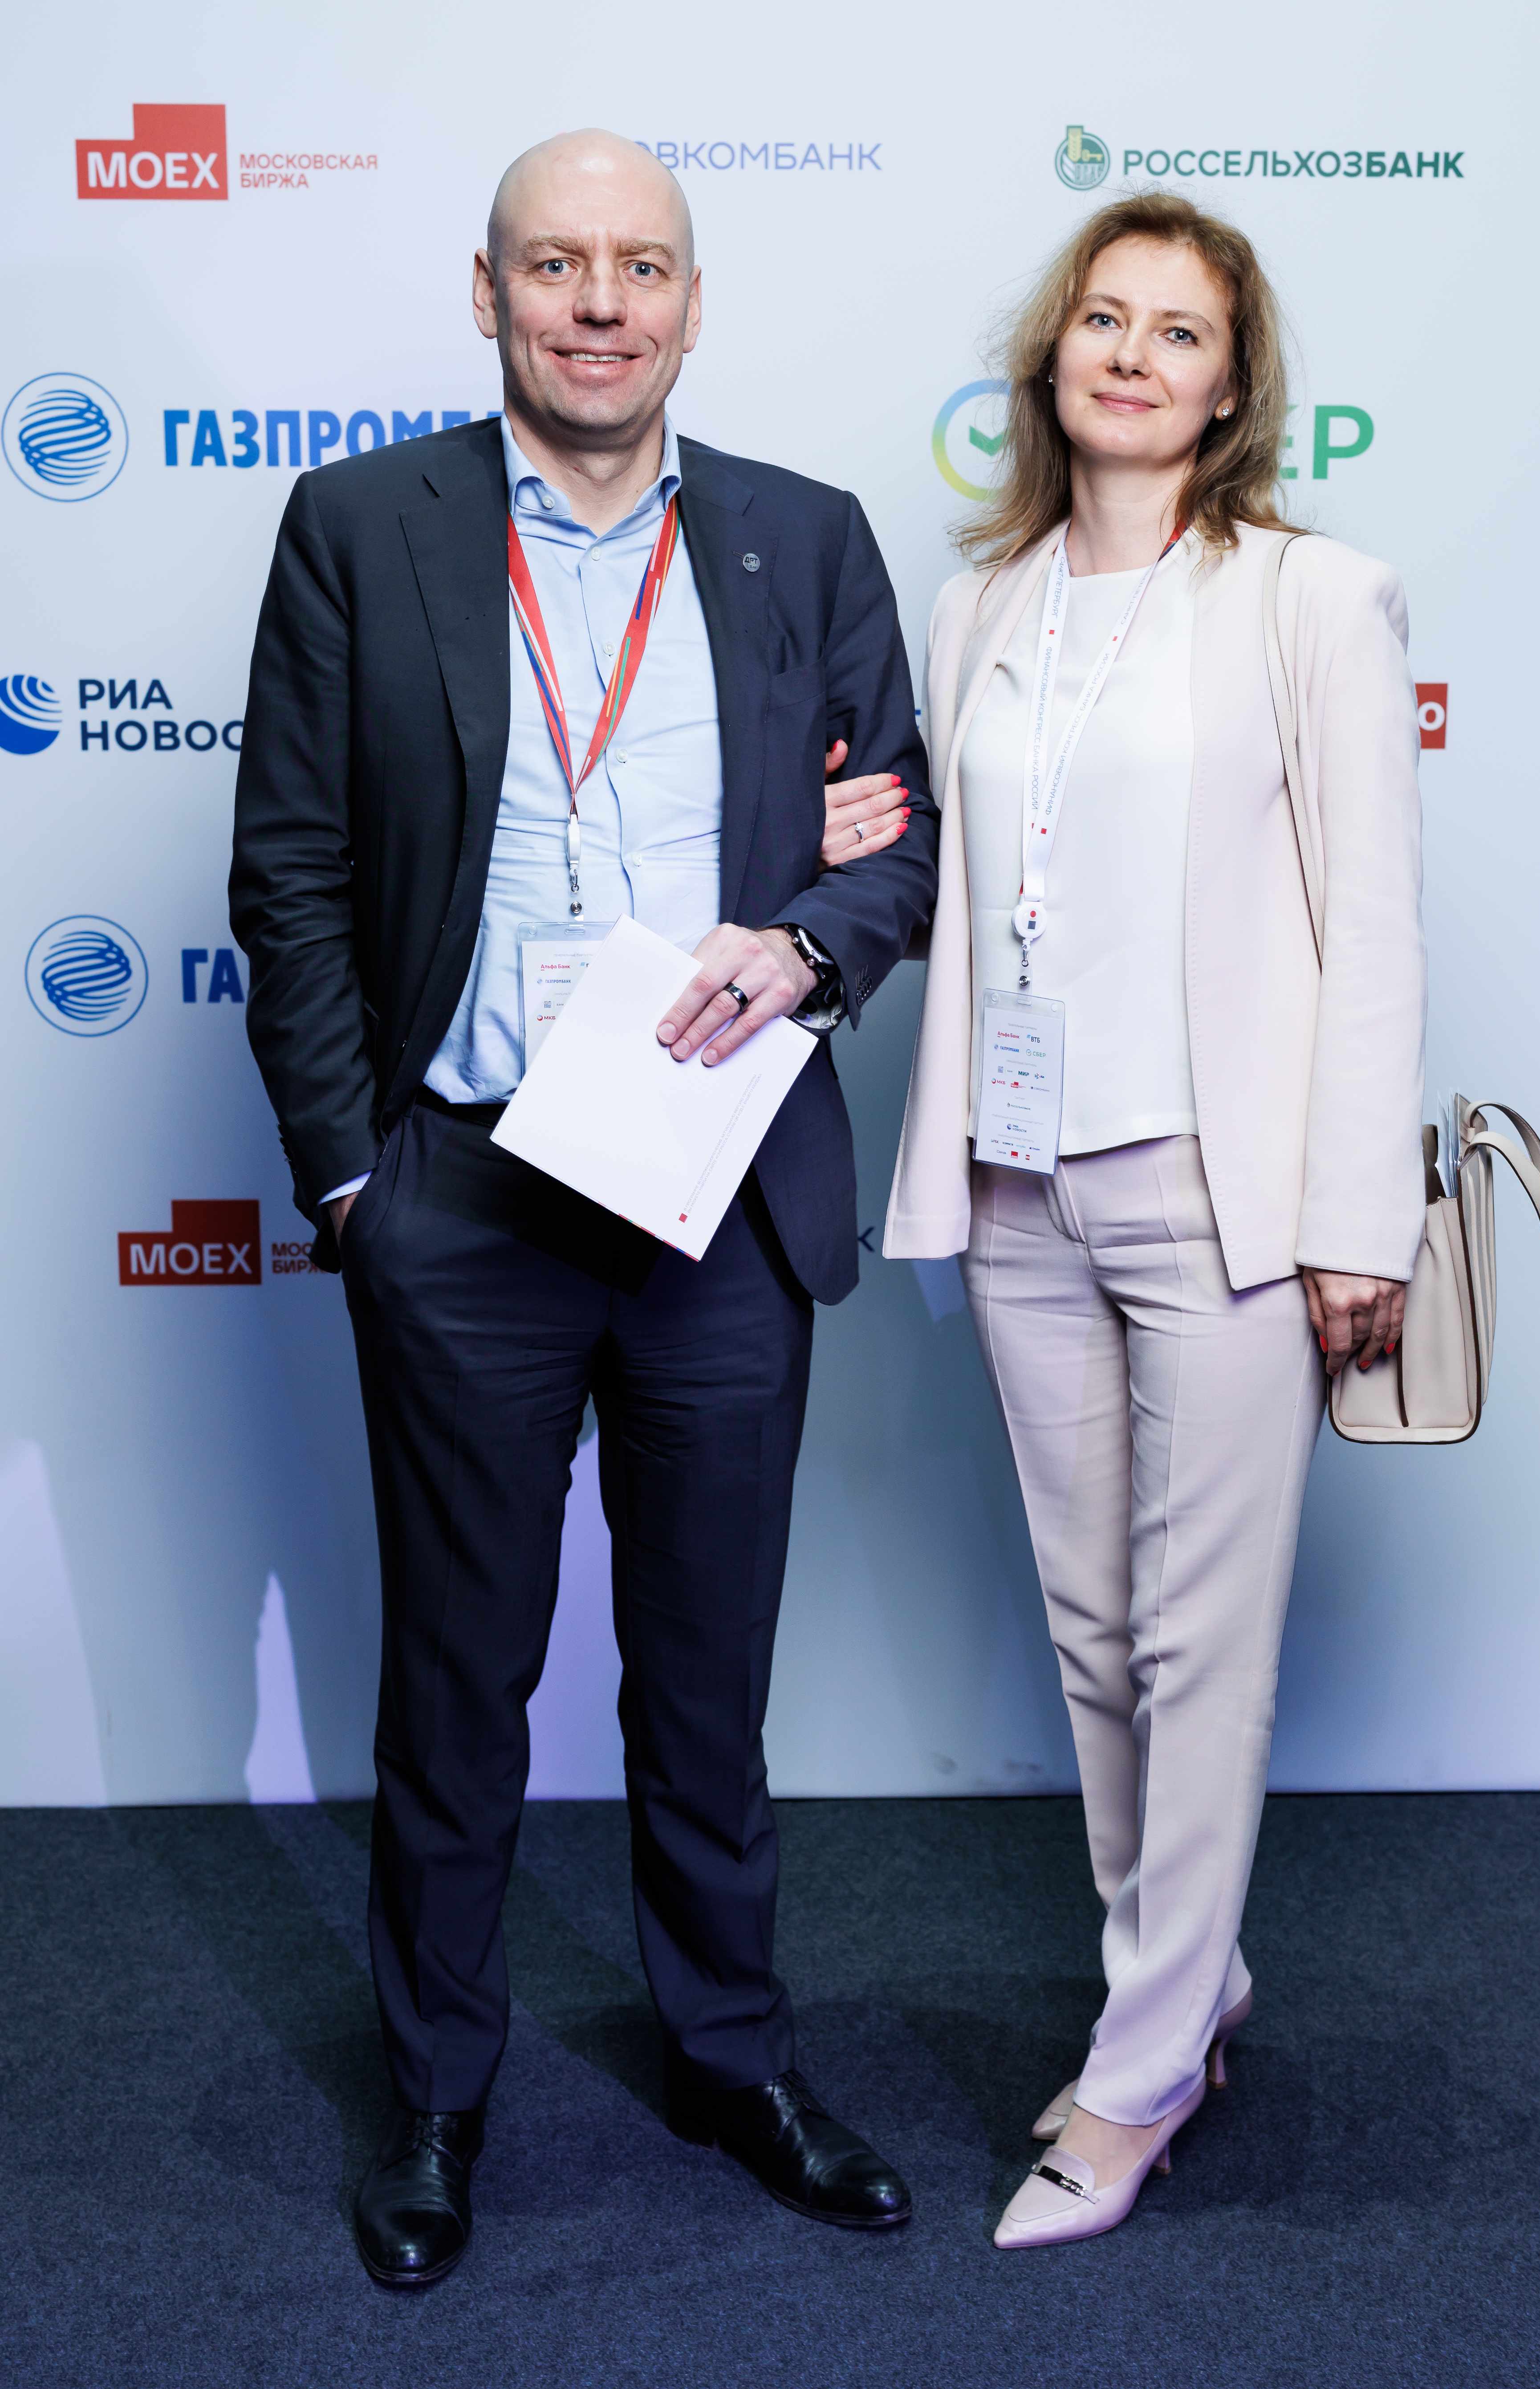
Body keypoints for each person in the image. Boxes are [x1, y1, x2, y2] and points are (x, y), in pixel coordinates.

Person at [230, 128, 936, 2287]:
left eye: (640, 266)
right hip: (466, 1201)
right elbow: (291, 872)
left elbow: (896, 845)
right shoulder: (363, 526)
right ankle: (439, 2097)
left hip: (720, 1195)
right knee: (458, 1686)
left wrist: (804, 947)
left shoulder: (807, 537)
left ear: (693, 303)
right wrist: (355, 1181)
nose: (599, 304)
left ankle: (732, 2057)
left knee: (705, 1681)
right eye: (556, 265)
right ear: (489, 294)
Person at [876, 190, 1426, 2246]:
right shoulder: (976, 608)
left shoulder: (1308, 598)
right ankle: (1177, 1987)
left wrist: (1353, 1214)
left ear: (1229, 386)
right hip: (1017, 1181)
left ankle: (1137, 2073)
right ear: (1054, 355)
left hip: (1221, 1194)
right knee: (1093, 1626)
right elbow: (970, 886)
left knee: (1201, 1644)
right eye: (1103, 317)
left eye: (1176, 332)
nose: (1130, 353)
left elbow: (1372, 927)